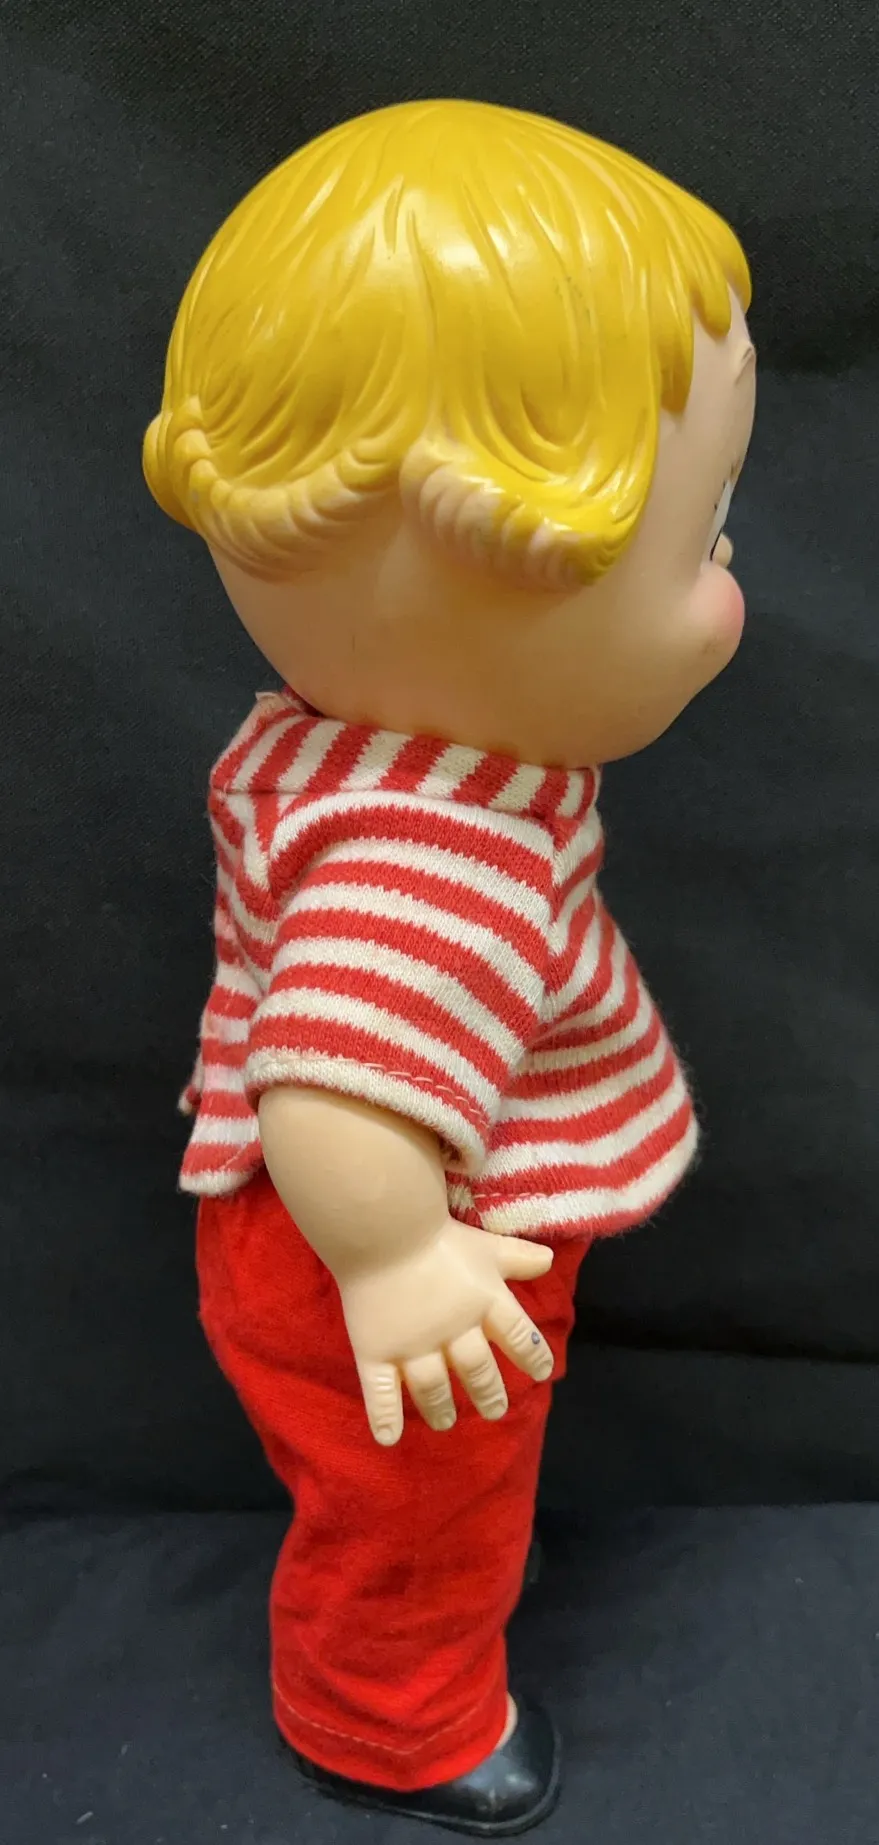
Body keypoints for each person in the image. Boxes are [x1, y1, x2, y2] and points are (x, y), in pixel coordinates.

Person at [143, 98, 756, 1836]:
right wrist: (399, 1259)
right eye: (702, 532)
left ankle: (432, 1590)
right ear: (489, 574)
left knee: (426, 1494)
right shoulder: (438, 860)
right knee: (412, 1516)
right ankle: (393, 1720)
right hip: (388, 1268)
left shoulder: (359, 756)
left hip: (381, 1239)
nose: (731, 570)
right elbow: (332, 1087)